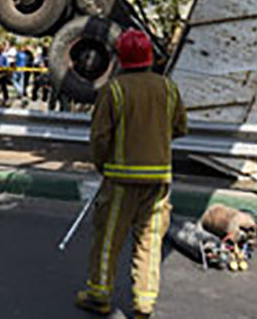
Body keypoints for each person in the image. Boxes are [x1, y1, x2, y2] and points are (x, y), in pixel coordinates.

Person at [75, 29, 187, 319]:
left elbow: (99, 137)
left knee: (108, 240)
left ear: (120, 58)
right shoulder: (169, 89)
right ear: (149, 57)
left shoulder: (113, 90)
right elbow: (179, 128)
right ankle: (144, 302)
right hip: (158, 182)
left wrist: (103, 165)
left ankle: (99, 295)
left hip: (120, 182)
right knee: (150, 241)